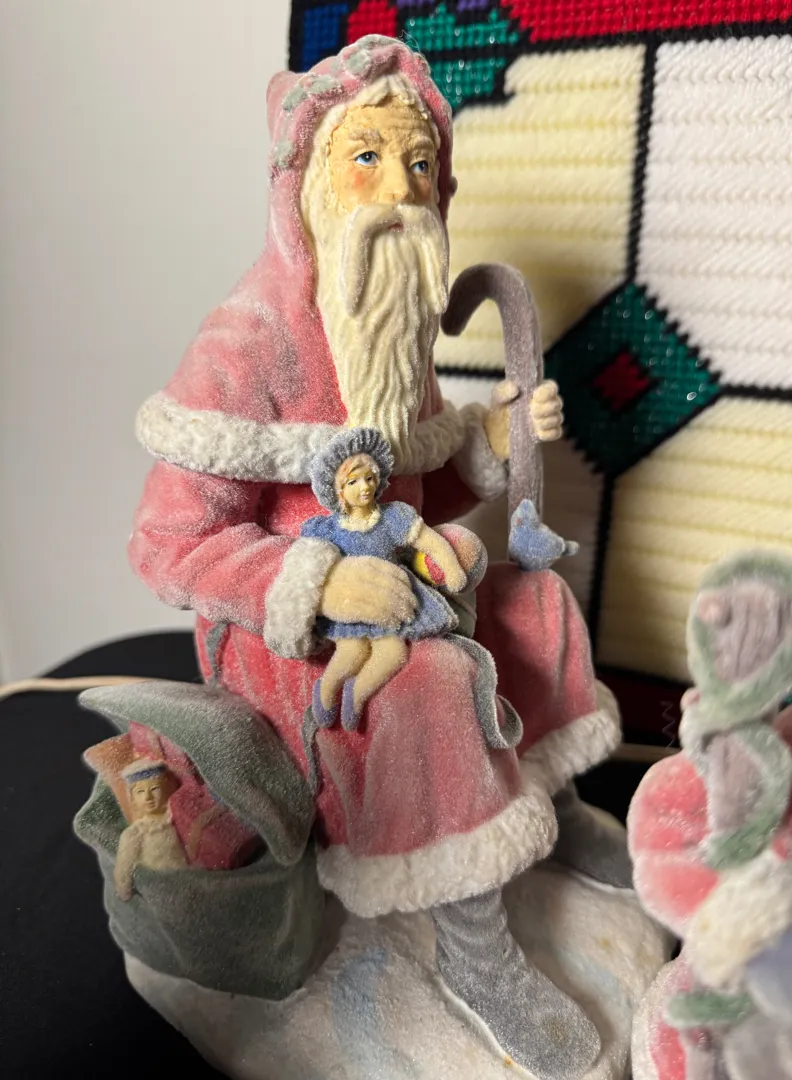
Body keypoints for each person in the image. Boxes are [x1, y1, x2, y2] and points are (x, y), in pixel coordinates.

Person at [129, 36, 622, 1077]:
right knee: (427, 684)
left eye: (419, 163)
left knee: (538, 604)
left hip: (403, 587)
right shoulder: (245, 344)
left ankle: (554, 802)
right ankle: (474, 948)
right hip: (281, 635)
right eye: (368, 157)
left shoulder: (393, 317)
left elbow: (420, 495)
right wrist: (315, 580)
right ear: (307, 182)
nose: (400, 189)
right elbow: (169, 545)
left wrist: (490, 446)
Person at [303, 427, 467, 728]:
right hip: (353, 602)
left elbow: (430, 542)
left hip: (391, 598)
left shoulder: (393, 517)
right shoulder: (329, 529)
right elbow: (310, 564)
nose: (364, 487)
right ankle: (327, 688)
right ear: (339, 490)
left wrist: (452, 569)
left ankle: (356, 695)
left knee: (393, 653)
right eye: (353, 482)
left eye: (369, 478)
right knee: (351, 651)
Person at [114, 759, 188, 902]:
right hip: (161, 891)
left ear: (167, 789)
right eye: (140, 792)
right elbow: (123, 871)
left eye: (154, 789)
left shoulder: (178, 819)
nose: (148, 797)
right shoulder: (135, 833)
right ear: (132, 798)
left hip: (187, 883)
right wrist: (125, 892)